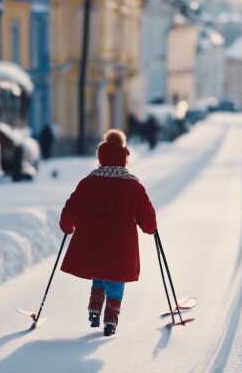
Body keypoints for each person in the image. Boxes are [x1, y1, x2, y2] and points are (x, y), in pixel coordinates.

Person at [59, 129, 157, 336]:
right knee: (115, 276)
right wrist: (151, 226)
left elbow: (71, 209)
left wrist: (67, 225)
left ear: (100, 156)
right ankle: (111, 318)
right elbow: (147, 219)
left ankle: (95, 307)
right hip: (121, 246)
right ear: (124, 157)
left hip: (92, 243)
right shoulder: (133, 186)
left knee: (100, 269)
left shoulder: (88, 183)